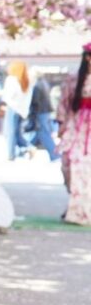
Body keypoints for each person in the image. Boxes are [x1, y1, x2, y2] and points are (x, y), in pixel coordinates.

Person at [62, 46, 91, 225]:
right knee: (71, 167)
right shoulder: (73, 79)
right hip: (77, 129)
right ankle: (77, 209)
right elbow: (64, 104)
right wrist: (62, 125)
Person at [1, 61, 32, 161]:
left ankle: (11, 154)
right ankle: (28, 148)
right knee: (16, 132)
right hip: (21, 110)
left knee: (10, 132)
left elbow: (7, 96)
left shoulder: (11, 79)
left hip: (12, 108)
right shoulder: (26, 81)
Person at [30, 71, 61, 162]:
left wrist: (32, 112)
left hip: (40, 112)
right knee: (41, 133)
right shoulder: (44, 84)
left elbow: (36, 101)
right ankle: (28, 148)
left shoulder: (37, 85)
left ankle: (54, 154)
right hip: (44, 112)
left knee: (44, 133)